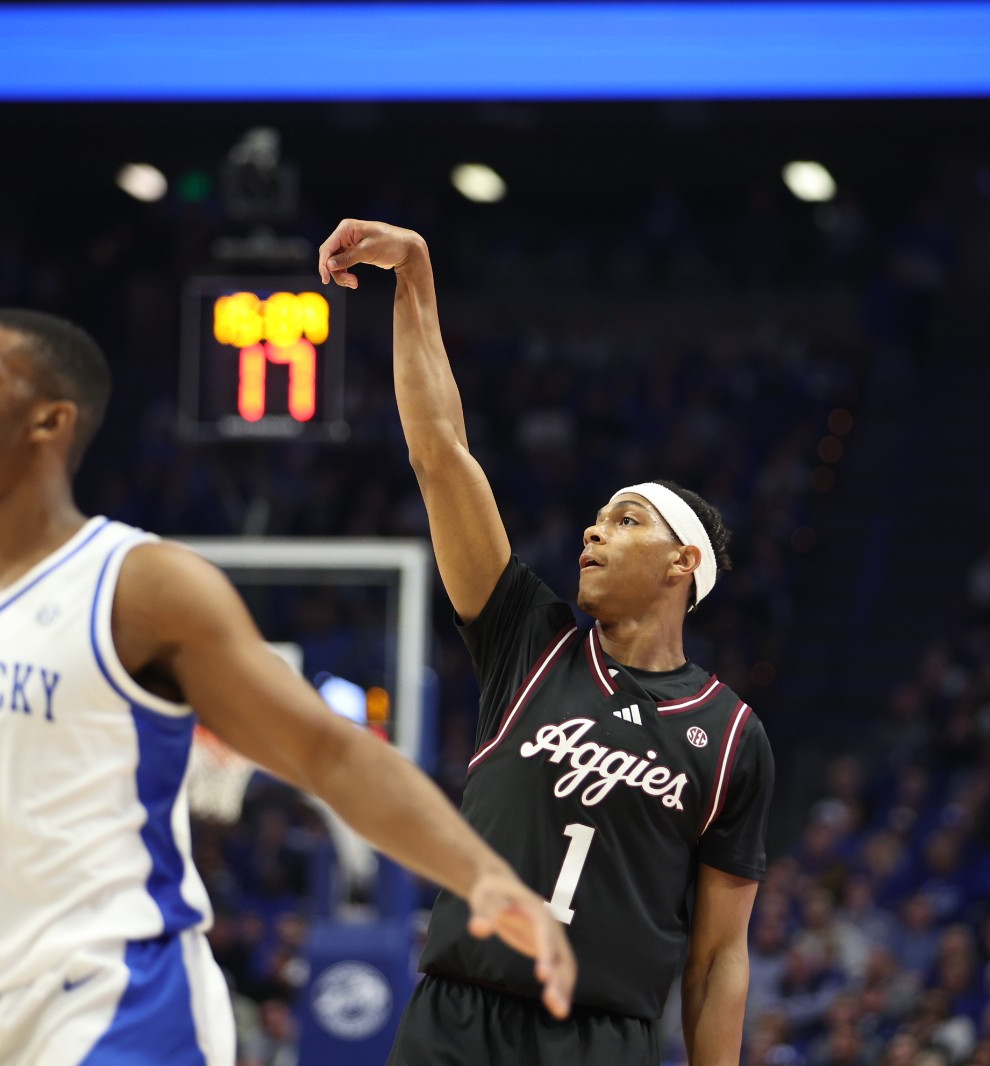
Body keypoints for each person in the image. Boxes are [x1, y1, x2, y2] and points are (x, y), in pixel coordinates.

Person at [0, 309, 574, 1065]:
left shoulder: (135, 587)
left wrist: (481, 875)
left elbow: (326, 751)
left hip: (120, 1004)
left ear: (49, 420)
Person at [319, 219, 776, 1065]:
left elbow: (719, 957)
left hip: (602, 1039)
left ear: (683, 562)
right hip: (458, 1019)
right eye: (596, 519)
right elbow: (441, 455)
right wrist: (415, 275)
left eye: (626, 520)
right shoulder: (531, 639)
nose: (594, 533)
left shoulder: (731, 738)